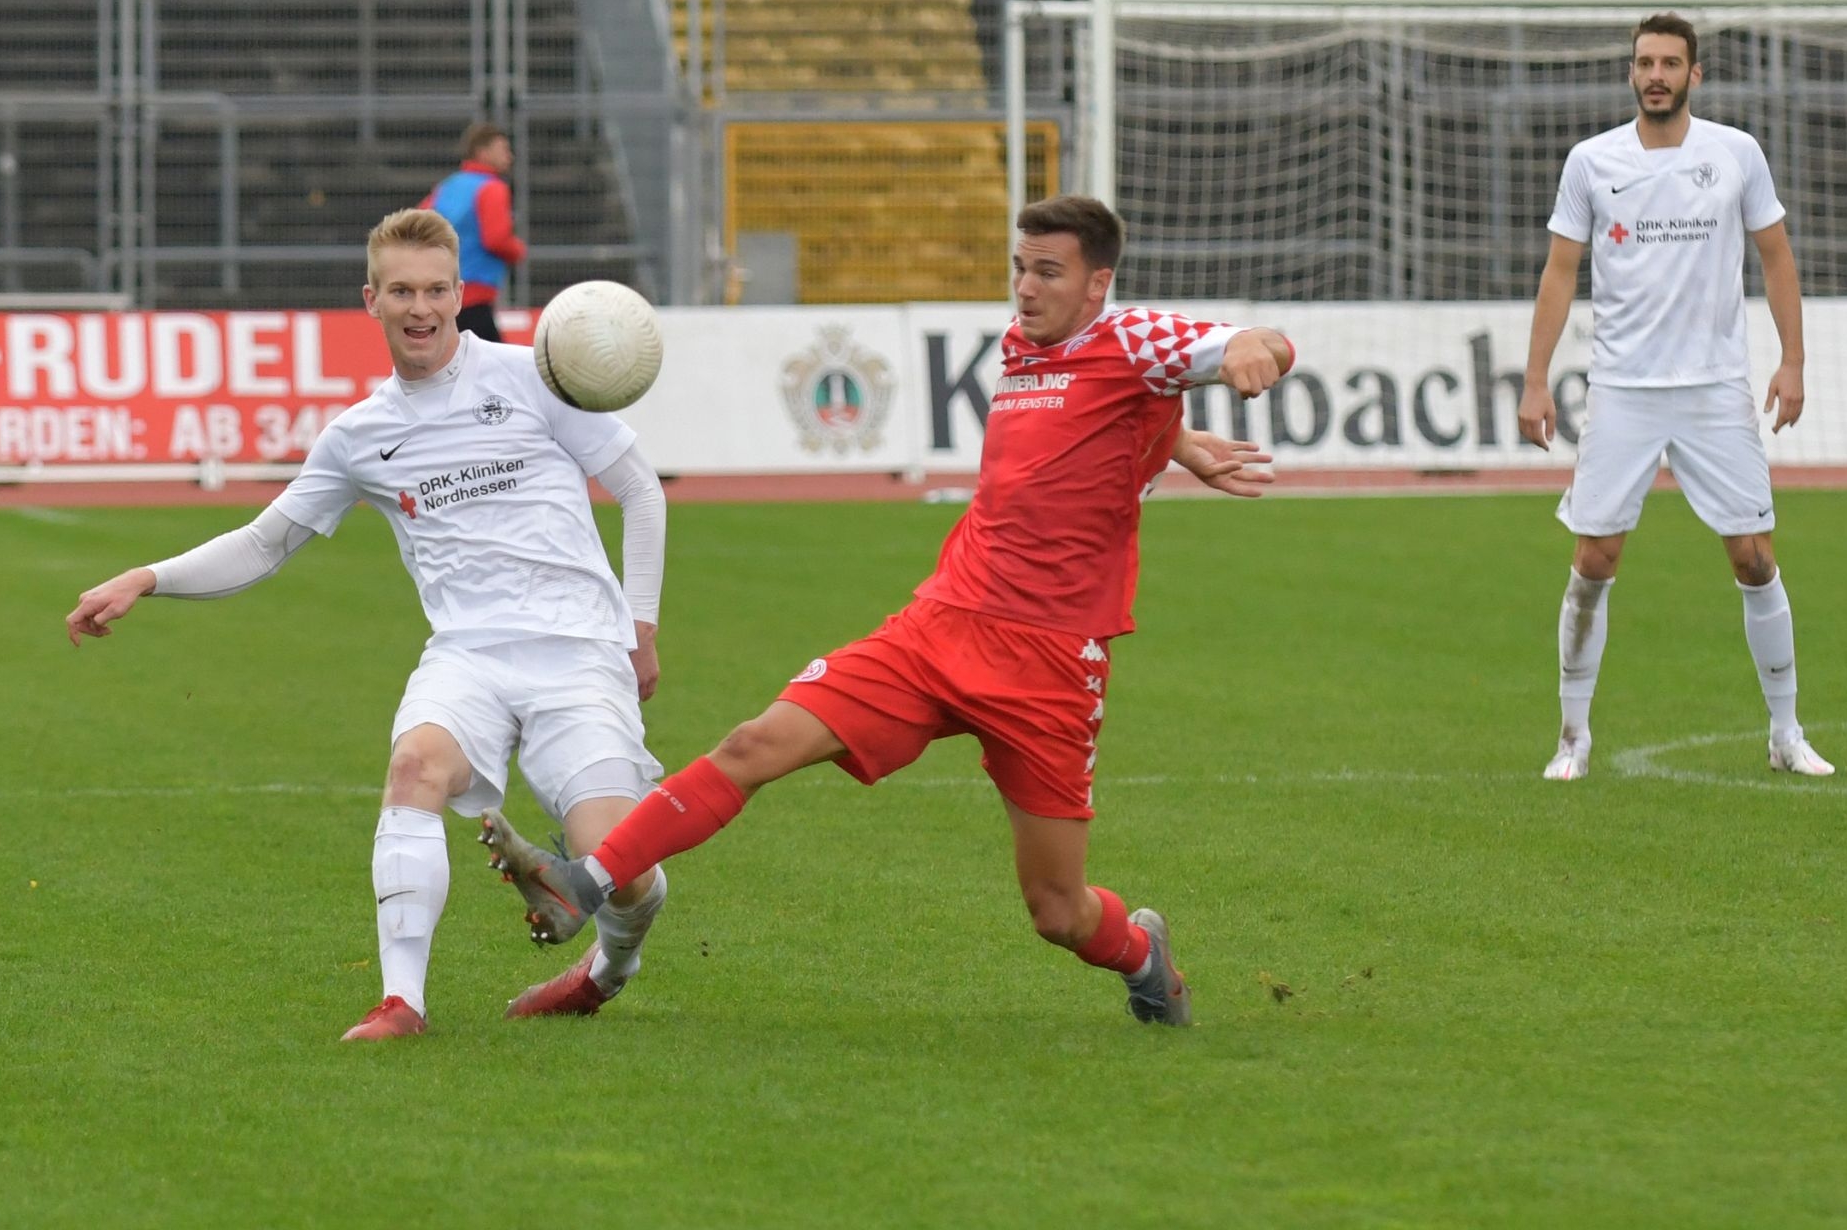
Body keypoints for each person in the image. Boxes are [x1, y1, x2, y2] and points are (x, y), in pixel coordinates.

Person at [477, 195, 1292, 1027]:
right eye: (1019, 267)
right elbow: (1101, 412)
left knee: (1057, 910)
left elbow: (1228, 347)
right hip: (939, 626)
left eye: (1049, 272)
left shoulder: (1130, 337)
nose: (1026, 288)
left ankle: (1140, 952)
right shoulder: (1024, 344)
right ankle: (587, 882)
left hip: (1048, 665)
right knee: (756, 744)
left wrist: (1256, 354)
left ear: (1098, 284)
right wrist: (1177, 441)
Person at [66, 208, 672, 1041]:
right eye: (400, 292)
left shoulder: (538, 375)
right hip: (467, 656)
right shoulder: (361, 435)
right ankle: (403, 1004)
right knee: (415, 766)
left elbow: (642, 490)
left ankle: (609, 968)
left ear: (460, 294)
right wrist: (147, 577)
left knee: (621, 865)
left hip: (579, 652)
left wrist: (640, 627)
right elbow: (264, 542)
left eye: (434, 290)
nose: (419, 308)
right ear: (372, 300)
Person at [1520, 11, 1833, 781]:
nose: (1654, 74)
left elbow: (1776, 255)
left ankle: (1786, 733)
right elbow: (1561, 272)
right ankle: (1572, 738)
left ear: (1695, 75)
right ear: (1631, 73)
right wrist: (1534, 379)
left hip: (1716, 391)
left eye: (1669, 63)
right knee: (1595, 556)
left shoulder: (1736, 154)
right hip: (1624, 390)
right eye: (1643, 62)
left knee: (1755, 556)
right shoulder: (1593, 161)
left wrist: (1792, 361)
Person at [421, 122, 527, 342]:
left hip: (442, 293)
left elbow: (417, 225)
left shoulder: (447, 187)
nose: (510, 156)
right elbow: (496, 239)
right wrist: (518, 250)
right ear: (483, 152)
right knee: (496, 368)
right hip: (475, 294)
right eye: (503, 150)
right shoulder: (492, 188)